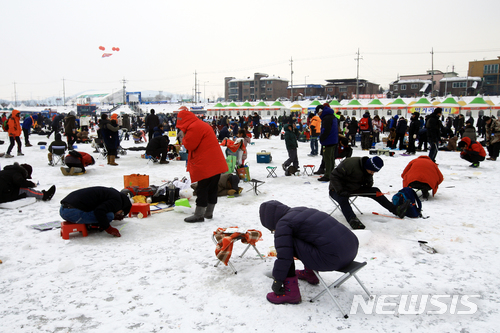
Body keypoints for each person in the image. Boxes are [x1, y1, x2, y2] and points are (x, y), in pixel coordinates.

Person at [259, 200, 359, 304]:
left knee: (287, 245)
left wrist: (278, 280)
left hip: (333, 259)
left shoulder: (283, 224)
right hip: (351, 250)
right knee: (307, 237)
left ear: (270, 221)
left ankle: (291, 293)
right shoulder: (301, 210)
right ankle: (310, 274)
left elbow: (284, 257)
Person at [329, 156, 410, 230]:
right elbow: (334, 176)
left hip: (354, 188)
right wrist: (340, 190)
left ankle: (396, 210)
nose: (372, 173)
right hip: (337, 189)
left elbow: (369, 185)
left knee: (375, 191)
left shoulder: (368, 171)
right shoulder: (350, 163)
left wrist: (368, 181)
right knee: (343, 199)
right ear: (367, 166)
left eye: (374, 172)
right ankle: (353, 220)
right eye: (372, 171)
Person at [176, 110, 228, 222]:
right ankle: (209, 213)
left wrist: (183, 138)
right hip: (215, 162)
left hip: (206, 163)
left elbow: (190, 145)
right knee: (212, 188)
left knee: (202, 188)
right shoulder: (199, 124)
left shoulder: (194, 127)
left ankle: (199, 214)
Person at [59, 186, 132, 237]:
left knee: (106, 215)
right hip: (71, 212)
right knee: (109, 216)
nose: (119, 214)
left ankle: (90, 223)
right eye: (121, 213)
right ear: (122, 207)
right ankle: (93, 226)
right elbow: (99, 211)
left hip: (64, 208)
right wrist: (108, 228)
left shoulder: (113, 193)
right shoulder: (117, 202)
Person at [318, 104, 338, 182]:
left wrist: (322, 138)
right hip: (334, 140)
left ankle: (328, 175)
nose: (318, 115)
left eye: (318, 113)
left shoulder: (326, 118)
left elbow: (326, 130)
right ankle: (332, 173)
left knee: (327, 158)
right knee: (331, 158)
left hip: (328, 141)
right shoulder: (332, 116)